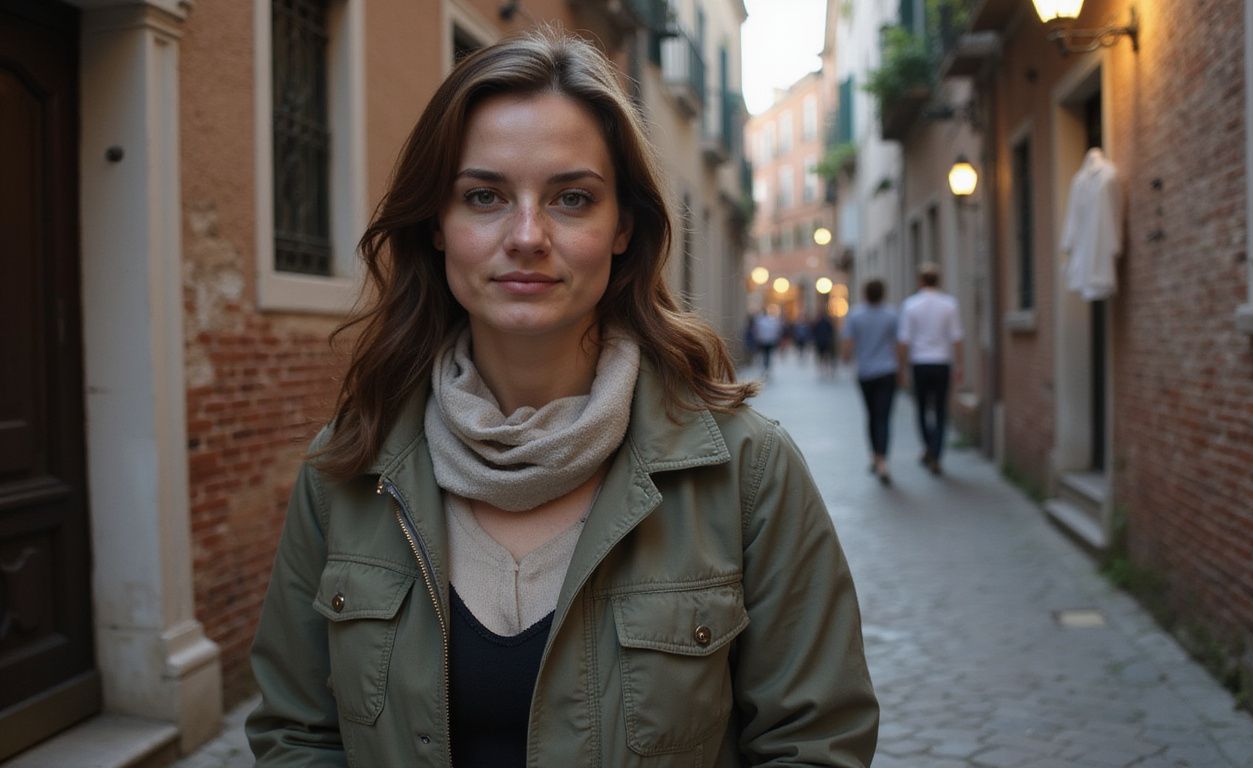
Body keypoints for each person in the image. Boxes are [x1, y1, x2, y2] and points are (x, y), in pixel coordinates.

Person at [246, 30, 878, 768]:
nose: (526, 235)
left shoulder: (746, 472)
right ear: (437, 228)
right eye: (484, 196)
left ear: (623, 230)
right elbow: (296, 735)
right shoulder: (346, 471)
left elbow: (816, 744)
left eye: (571, 199)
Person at [899, 263, 964, 476]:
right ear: (939, 281)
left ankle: (929, 447)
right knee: (940, 409)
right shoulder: (949, 304)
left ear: (920, 281)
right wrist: (959, 365)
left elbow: (904, 340)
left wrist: (903, 368)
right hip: (942, 362)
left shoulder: (910, 305)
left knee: (921, 409)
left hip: (920, 363)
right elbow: (956, 338)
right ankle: (936, 452)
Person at [841, 279, 901, 486]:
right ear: (883, 293)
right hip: (887, 371)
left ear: (865, 294)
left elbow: (848, 344)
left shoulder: (856, 315)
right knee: (884, 416)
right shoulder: (891, 314)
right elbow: (898, 343)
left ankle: (875, 457)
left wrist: (846, 358)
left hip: (866, 373)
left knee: (872, 415)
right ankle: (882, 459)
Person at [750, 305, 783, 375]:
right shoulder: (771, 320)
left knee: (764, 354)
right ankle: (766, 366)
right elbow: (776, 330)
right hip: (769, 340)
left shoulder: (760, 320)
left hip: (763, 340)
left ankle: (765, 365)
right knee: (767, 354)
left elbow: (756, 330)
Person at [812, 309, 837, 378]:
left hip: (824, 341)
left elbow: (830, 331)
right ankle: (823, 368)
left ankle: (824, 368)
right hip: (822, 341)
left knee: (825, 355)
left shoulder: (825, 322)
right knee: (823, 355)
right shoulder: (819, 323)